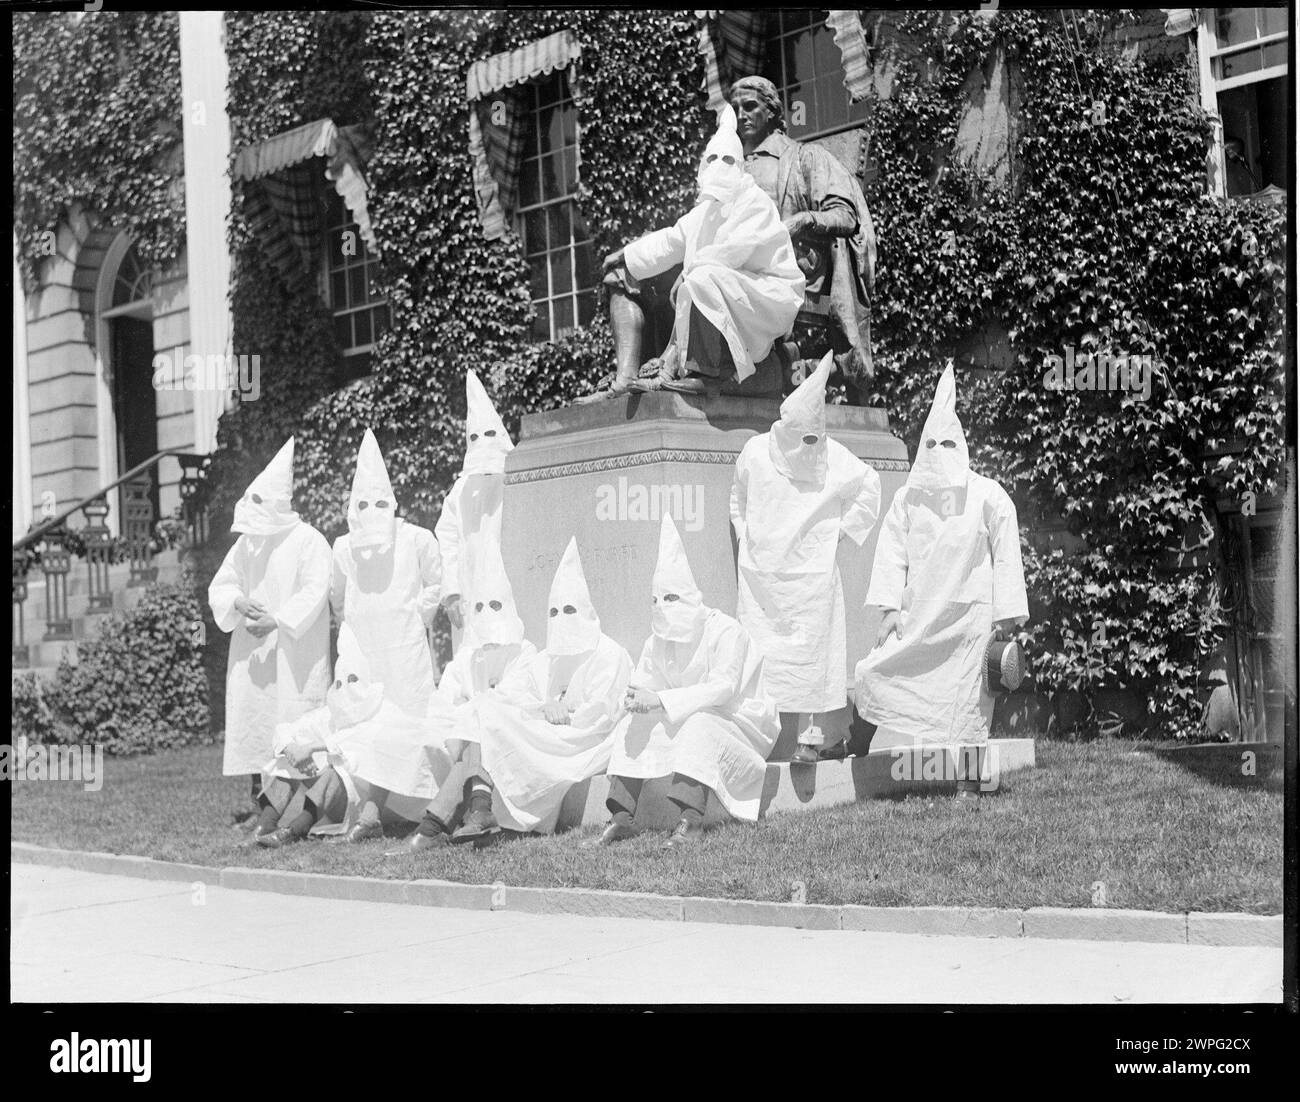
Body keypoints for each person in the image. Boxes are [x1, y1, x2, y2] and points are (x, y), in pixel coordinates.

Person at [854, 364, 1028, 802]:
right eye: (931, 443)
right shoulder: (907, 498)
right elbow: (892, 553)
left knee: (970, 702)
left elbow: (1007, 552)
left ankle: (969, 781)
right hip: (919, 616)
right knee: (873, 671)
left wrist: (1006, 616)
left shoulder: (988, 495)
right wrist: (889, 610)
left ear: (962, 445)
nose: (939, 451)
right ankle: (856, 744)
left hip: (969, 620)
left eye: (948, 443)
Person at [591, 514, 779, 849]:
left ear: (692, 596)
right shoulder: (657, 640)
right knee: (633, 723)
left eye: (672, 598)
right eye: (656, 600)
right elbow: (642, 685)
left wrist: (661, 700)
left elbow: (724, 688)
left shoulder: (725, 630)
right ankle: (621, 819)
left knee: (700, 722)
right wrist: (633, 701)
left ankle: (690, 821)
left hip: (740, 725)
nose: (663, 608)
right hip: (686, 718)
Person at [730, 350, 881, 763]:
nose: (808, 446)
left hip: (812, 579)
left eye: (814, 438)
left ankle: (810, 740)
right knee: (762, 659)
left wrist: (839, 534)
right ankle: (754, 739)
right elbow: (737, 498)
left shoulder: (832, 456)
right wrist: (746, 538)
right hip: (763, 578)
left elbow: (870, 486)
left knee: (812, 659)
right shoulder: (755, 452)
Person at [594, 103, 804, 397]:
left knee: (702, 278)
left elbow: (734, 251)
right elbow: (670, 240)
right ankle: (625, 379)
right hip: (724, 287)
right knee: (626, 273)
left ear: (740, 166)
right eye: (713, 158)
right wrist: (625, 256)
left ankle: (704, 373)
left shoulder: (754, 201)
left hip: (768, 296)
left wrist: (689, 273)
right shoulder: (704, 210)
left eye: (728, 159)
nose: (720, 165)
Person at [467, 537, 633, 836]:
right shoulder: (547, 657)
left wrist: (563, 714)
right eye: (554, 612)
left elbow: (602, 714)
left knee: (521, 735)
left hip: (587, 741)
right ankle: (481, 807)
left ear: (586, 610)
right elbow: (512, 694)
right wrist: (543, 708)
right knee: (488, 706)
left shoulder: (610, 654)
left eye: (569, 610)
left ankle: (491, 813)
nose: (561, 619)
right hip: (547, 734)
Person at [208, 437, 332, 827]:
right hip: (253, 651)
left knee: (293, 721)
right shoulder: (249, 543)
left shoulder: (309, 540)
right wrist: (238, 601)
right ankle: (259, 803)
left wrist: (277, 620)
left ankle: (309, 806)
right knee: (255, 720)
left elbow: (315, 590)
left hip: (294, 652)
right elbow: (224, 583)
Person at [389, 542, 538, 853]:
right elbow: (444, 702)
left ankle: (434, 825)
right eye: (479, 607)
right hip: (465, 740)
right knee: (471, 725)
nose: (487, 614)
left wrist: (473, 714)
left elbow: (514, 701)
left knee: (481, 716)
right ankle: (478, 810)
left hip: (511, 737)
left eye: (495, 605)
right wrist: (463, 724)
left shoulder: (524, 651)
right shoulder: (467, 657)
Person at [729, 74, 877, 385]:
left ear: (772, 111)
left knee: (711, 284)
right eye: (735, 109)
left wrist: (801, 221)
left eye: (750, 106)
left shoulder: (804, 157)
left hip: (790, 273)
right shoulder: (728, 168)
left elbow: (846, 216)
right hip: (733, 264)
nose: (741, 115)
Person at [435, 369, 514, 655]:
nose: (484, 441)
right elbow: (447, 541)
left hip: (509, 583)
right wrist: (451, 592)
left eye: (490, 434)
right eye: (476, 437)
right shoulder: (460, 491)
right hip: (470, 586)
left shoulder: (517, 480)